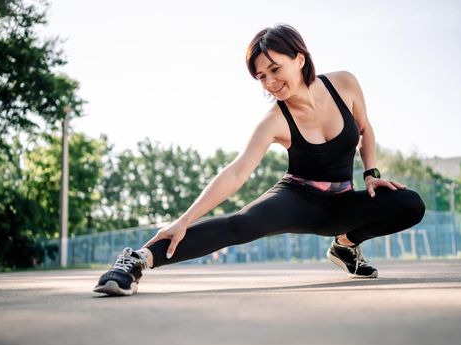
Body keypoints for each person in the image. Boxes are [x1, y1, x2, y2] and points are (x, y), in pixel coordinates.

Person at [93, 24, 426, 296]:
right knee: (241, 224)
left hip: (341, 205)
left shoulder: (345, 84)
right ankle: (136, 260)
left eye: (274, 69)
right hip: (298, 199)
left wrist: (371, 174)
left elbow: (366, 129)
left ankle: (346, 246)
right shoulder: (274, 121)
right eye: (261, 76)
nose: (270, 82)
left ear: (299, 58)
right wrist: (183, 219)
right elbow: (237, 172)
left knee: (409, 203)